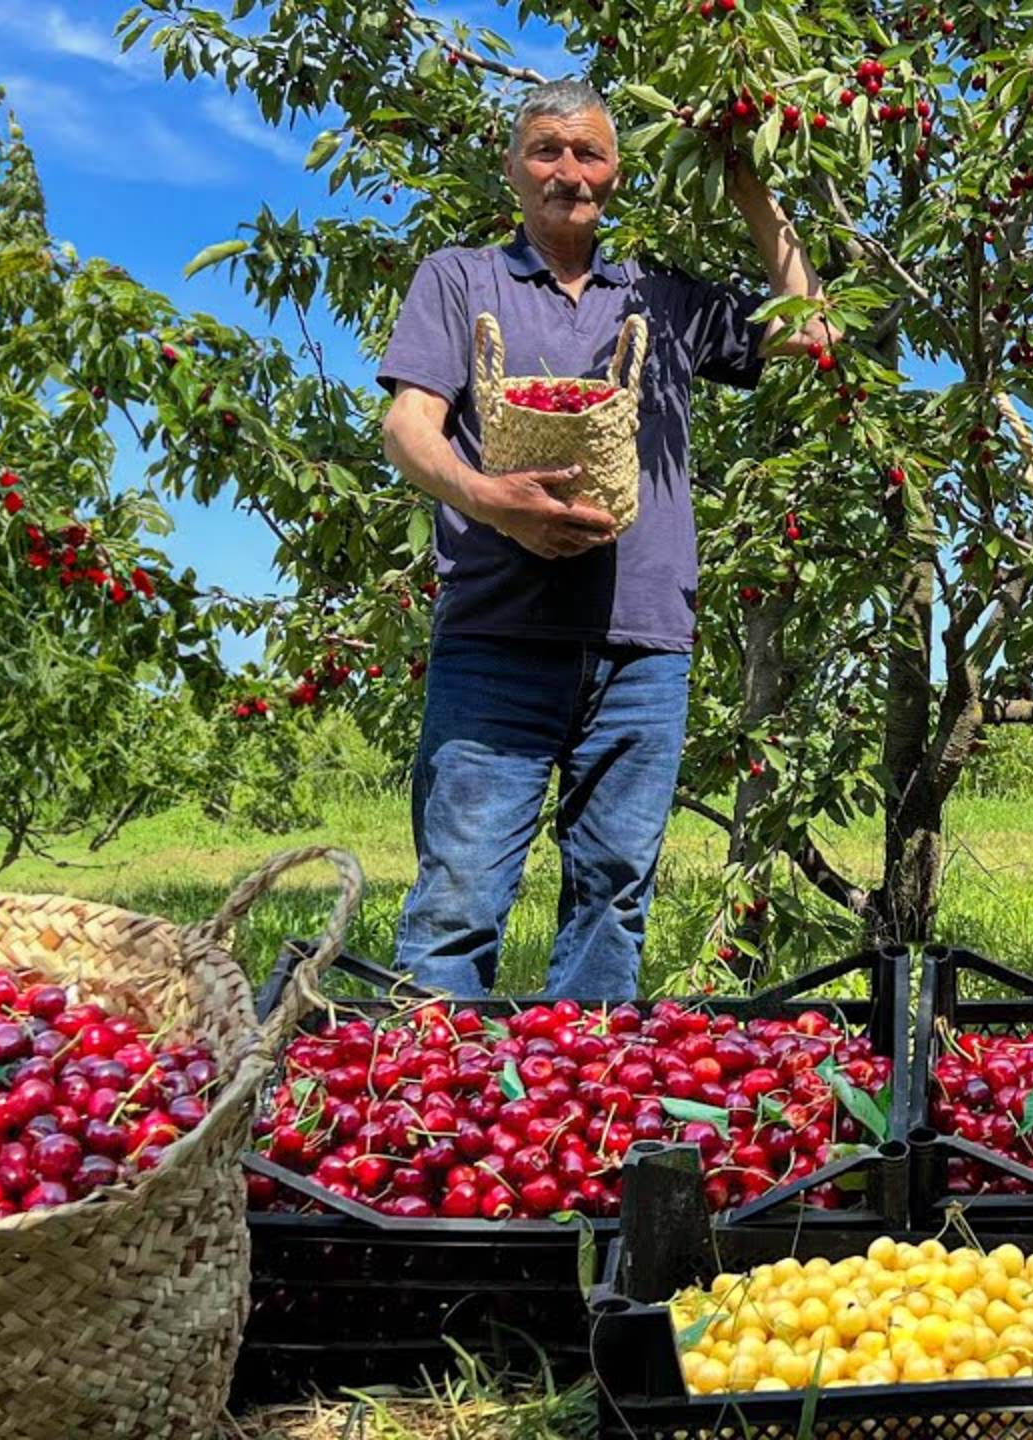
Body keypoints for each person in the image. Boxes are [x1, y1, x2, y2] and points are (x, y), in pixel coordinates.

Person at [377, 79, 833, 999]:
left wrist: (748, 185)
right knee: (459, 897)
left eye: (588, 153)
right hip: (497, 638)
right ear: (512, 167)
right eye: (546, 150)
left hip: (642, 647)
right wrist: (491, 500)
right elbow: (407, 428)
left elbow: (811, 327)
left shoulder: (660, 297)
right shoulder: (461, 280)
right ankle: (427, 1080)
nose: (568, 172)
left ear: (616, 172)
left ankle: (580, 1080)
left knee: (614, 896)